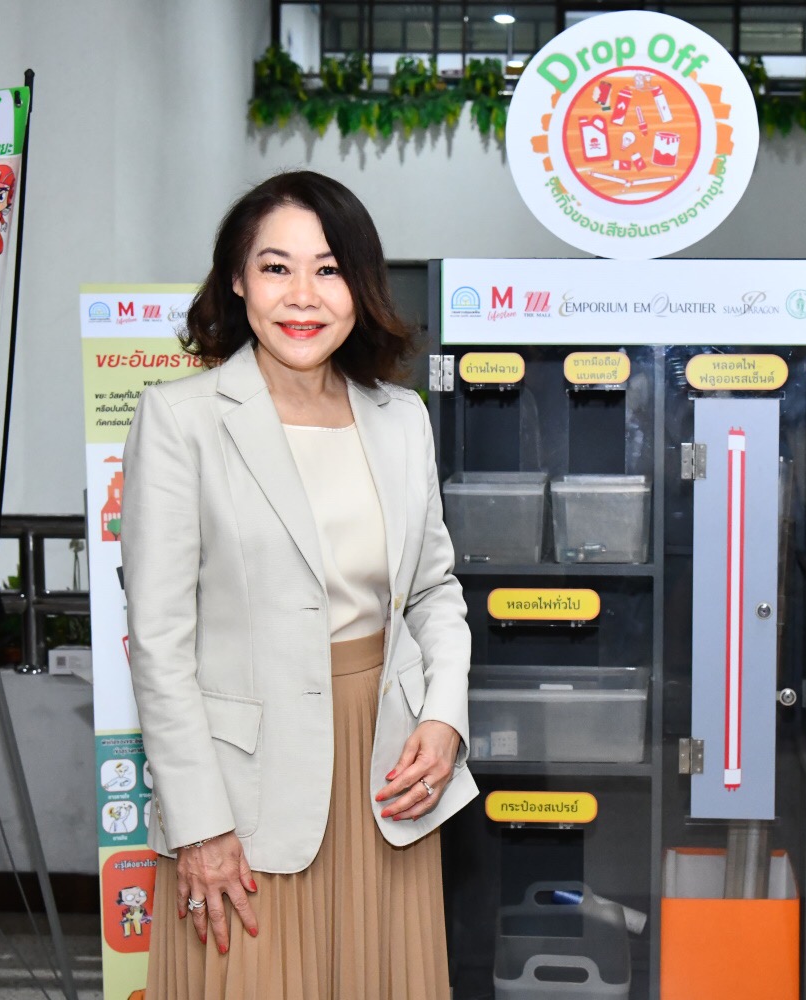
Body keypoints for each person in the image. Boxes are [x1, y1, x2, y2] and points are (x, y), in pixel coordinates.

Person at [121, 170, 476, 999]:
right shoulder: (181, 420)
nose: (303, 296)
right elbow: (160, 645)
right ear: (237, 280)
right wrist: (199, 825)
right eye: (276, 268)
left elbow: (433, 590)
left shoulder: (402, 418)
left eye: (329, 268)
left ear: (361, 285)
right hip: (243, 793)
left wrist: (444, 716)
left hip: (387, 773)